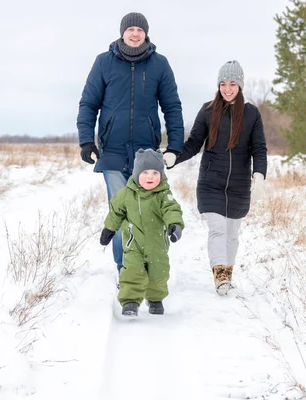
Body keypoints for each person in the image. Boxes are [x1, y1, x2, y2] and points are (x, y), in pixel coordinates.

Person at [77, 12, 183, 275]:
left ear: (146, 33)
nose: (135, 33)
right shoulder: (104, 62)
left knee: (147, 212)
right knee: (121, 210)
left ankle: (145, 264)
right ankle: (125, 269)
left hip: (146, 156)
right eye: (130, 29)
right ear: (122, 32)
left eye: (140, 29)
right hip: (112, 151)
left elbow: (172, 107)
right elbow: (89, 104)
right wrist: (86, 141)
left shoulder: (160, 64)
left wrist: (175, 147)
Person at [168, 60, 267, 295]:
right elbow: (193, 144)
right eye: (223, 83)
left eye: (232, 84)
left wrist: (260, 175)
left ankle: (226, 274)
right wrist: (174, 156)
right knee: (218, 230)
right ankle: (220, 275)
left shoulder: (251, 113)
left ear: (240, 86)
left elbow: (259, 148)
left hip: (239, 185)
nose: (227, 88)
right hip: (211, 182)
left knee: (232, 234)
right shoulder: (208, 110)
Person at [100, 149, 184, 316]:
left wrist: (175, 225)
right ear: (137, 173)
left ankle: (155, 299)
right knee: (132, 270)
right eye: (145, 172)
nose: (150, 177)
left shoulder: (163, 194)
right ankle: (130, 301)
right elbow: (116, 211)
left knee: (158, 272)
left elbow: (171, 209)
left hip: (157, 242)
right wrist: (109, 229)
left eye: (155, 172)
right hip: (134, 242)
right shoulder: (126, 194)